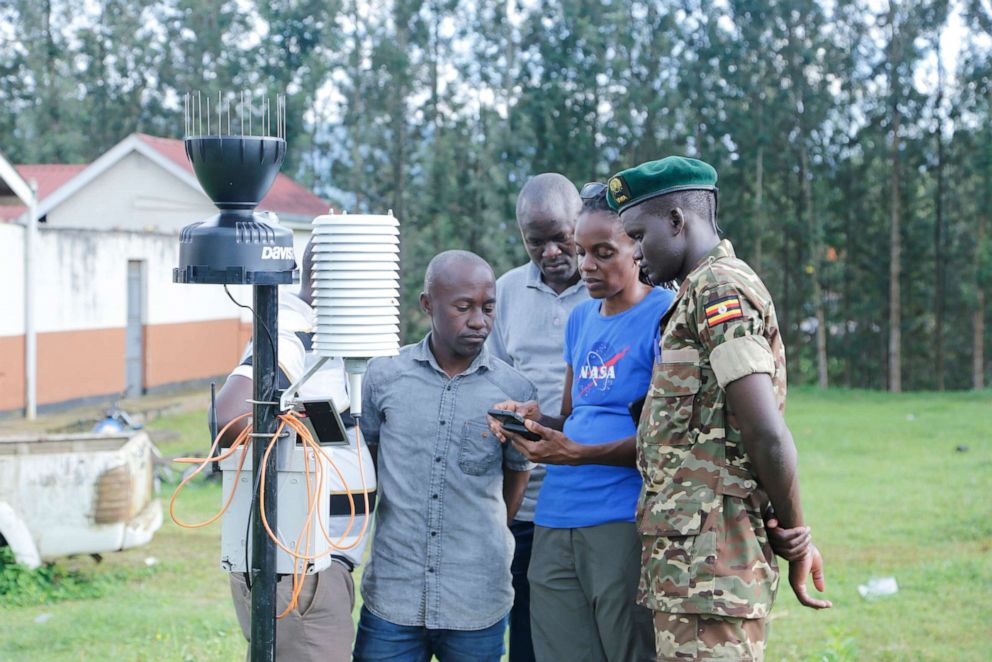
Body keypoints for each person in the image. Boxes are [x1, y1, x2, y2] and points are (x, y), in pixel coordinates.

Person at [607, 156, 831, 661]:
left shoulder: (720, 289)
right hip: (690, 568)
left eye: (639, 236)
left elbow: (765, 431)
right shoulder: (690, 295)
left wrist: (795, 538)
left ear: (677, 221)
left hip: (713, 571)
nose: (635, 253)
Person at [490, 184, 673, 662]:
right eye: (583, 252)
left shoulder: (664, 317)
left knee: (626, 646)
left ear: (637, 247)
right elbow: (573, 418)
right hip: (554, 512)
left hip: (618, 514)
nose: (585, 264)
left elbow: (667, 439)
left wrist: (578, 454)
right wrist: (532, 419)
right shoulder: (582, 320)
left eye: (601, 252)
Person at [353, 250, 535, 662]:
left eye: (488, 308)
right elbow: (370, 463)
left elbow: (517, 476)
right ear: (427, 305)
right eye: (463, 307)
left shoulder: (513, 392)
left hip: (476, 596)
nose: (478, 321)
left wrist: (483, 531)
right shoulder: (384, 377)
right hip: (394, 595)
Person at [214, 241, 376, 662]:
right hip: (300, 574)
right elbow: (231, 417)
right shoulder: (290, 329)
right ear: (332, 282)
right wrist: (296, 430)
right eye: (369, 288)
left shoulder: (325, 336)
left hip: (311, 571)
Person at [487, 172, 588, 662]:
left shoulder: (607, 287)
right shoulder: (505, 292)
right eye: (536, 241)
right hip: (524, 505)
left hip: (590, 498)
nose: (550, 252)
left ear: (580, 226)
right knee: (526, 636)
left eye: (560, 238)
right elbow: (491, 381)